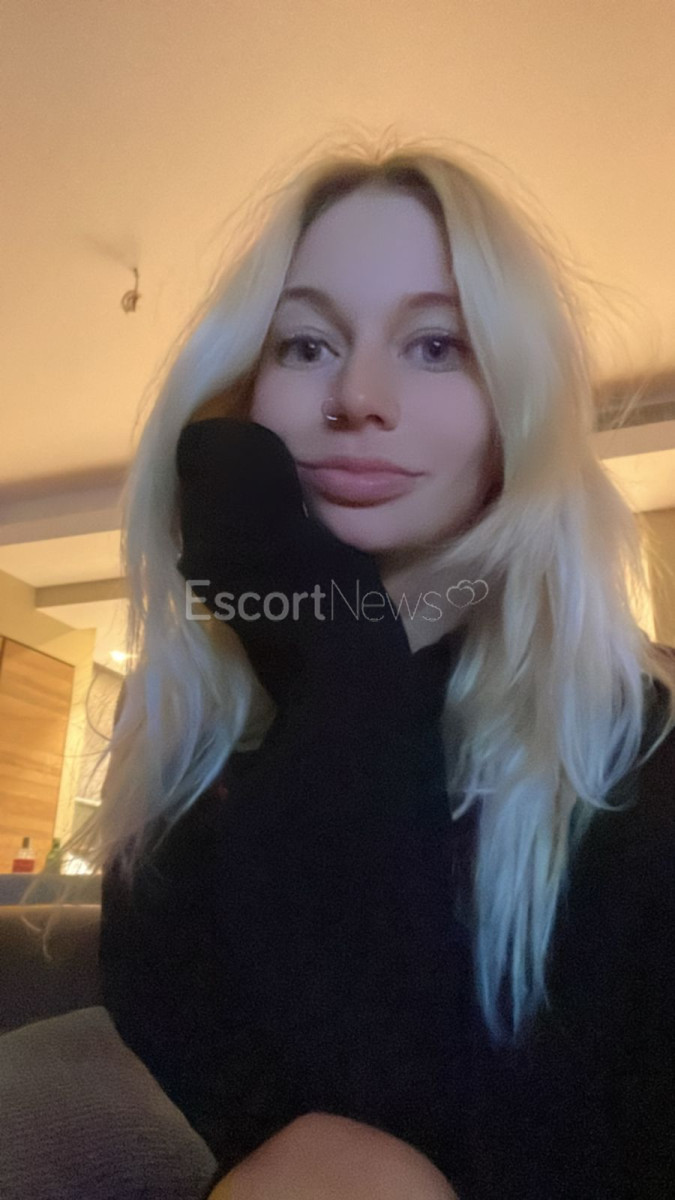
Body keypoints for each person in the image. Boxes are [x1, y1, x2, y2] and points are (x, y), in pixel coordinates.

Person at [34, 136, 675, 1198]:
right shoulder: (189, 787)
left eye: (436, 345)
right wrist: (338, 656)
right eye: (305, 345)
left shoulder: (636, 756)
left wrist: (340, 658)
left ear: (514, 406)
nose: (360, 397)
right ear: (242, 396)